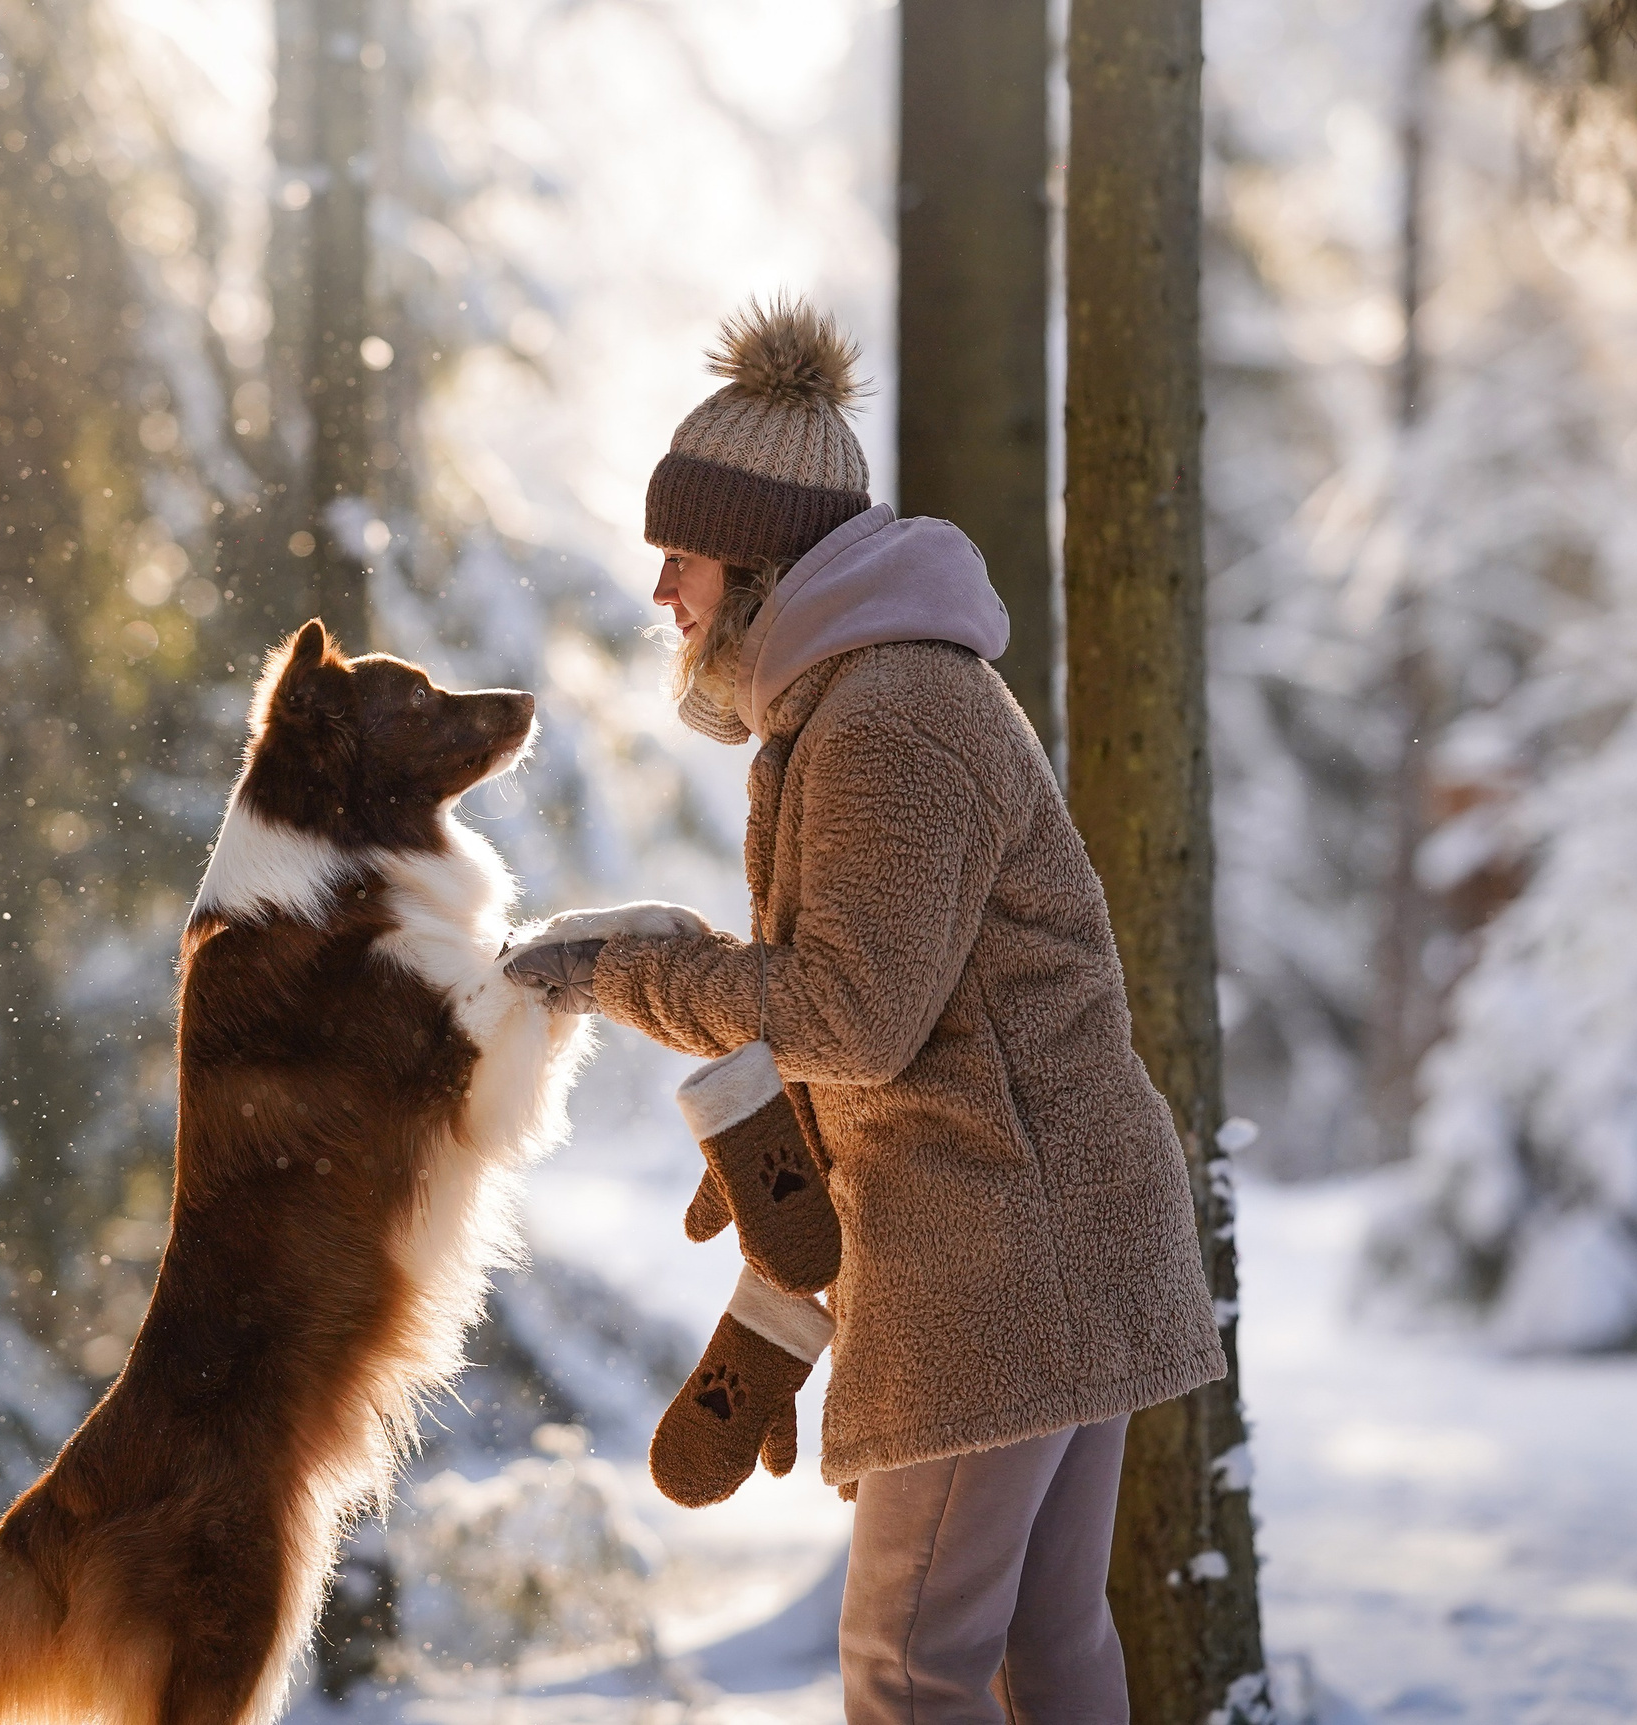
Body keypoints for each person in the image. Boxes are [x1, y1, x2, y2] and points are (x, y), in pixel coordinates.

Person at [502, 296, 1224, 1725]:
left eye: (684, 557)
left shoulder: (887, 715)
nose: (664, 593)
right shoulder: (871, 695)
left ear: (759, 562)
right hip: (1061, 1228)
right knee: (1039, 1636)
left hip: (1001, 1256)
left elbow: (851, 1015)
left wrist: (622, 972)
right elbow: (890, 999)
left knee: (910, 1661)